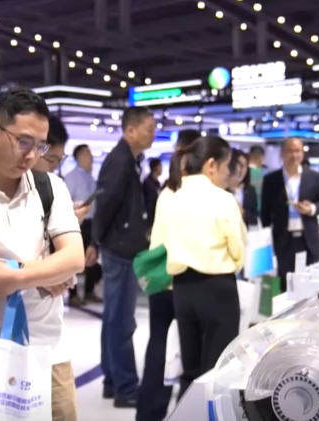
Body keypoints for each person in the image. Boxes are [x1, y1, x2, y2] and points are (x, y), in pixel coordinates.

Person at [0, 88, 85, 421]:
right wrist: (43, 272)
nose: (32, 155)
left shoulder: (50, 187)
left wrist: (17, 275)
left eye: (41, 146)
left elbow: (74, 259)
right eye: (23, 142)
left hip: (47, 350)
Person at [157, 135, 246, 395]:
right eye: (226, 166)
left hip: (182, 290)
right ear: (211, 165)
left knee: (191, 369)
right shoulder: (223, 199)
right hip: (218, 289)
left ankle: (187, 411)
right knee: (218, 372)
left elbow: (158, 247)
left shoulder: (170, 197)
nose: (228, 173)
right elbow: (238, 249)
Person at [93, 106, 156, 408]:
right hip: (119, 251)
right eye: (149, 128)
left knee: (114, 319)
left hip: (120, 248)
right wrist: (99, 241)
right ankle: (126, 388)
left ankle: (112, 381)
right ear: (130, 131)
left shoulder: (129, 160)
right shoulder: (120, 161)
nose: (153, 134)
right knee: (121, 321)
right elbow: (105, 205)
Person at [137, 128, 199, 421]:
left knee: (158, 345)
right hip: (186, 280)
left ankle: (149, 413)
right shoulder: (199, 195)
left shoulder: (166, 190)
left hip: (160, 276)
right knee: (189, 353)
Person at [260, 138, 319, 292]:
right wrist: (267, 241)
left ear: (302, 153)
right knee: (286, 284)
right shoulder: (271, 180)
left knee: (311, 282)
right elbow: (265, 213)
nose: (294, 155)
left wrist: (311, 208)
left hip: (308, 238)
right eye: (290, 151)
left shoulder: (313, 177)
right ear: (282, 154)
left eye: (298, 151)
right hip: (283, 240)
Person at [63, 143, 103, 305]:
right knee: (75, 257)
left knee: (91, 257)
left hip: (92, 223)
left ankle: (89, 290)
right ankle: (72, 293)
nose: (91, 157)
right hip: (77, 221)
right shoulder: (71, 178)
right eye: (87, 154)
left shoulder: (92, 179)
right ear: (79, 157)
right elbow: (66, 201)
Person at [227, 150, 259, 226]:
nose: (241, 170)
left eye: (245, 166)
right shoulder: (222, 187)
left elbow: (255, 218)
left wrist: (243, 213)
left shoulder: (250, 190)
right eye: (239, 165)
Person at [142, 158, 163, 225]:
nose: (162, 169)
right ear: (155, 168)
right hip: (150, 217)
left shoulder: (157, 183)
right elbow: (149, 202)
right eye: (160, 166)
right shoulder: (148, 183)